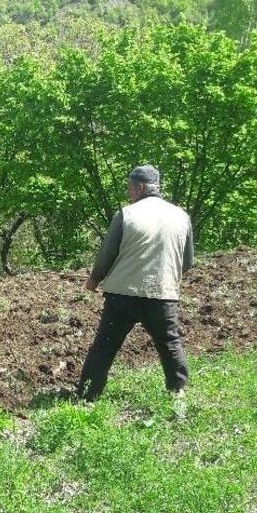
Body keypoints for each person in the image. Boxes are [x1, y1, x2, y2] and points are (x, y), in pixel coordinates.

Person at [77, 165, 194, 401]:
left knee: (105, 346)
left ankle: (87, 396)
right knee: (170, 343)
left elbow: (107, 254)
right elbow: (187, 261)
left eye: (130, 188)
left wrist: (94, 279)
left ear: (140, 187)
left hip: (123, 295)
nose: (129, 192)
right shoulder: (182, 217)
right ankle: (178, 392)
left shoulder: (126, 215)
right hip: (162, 294)